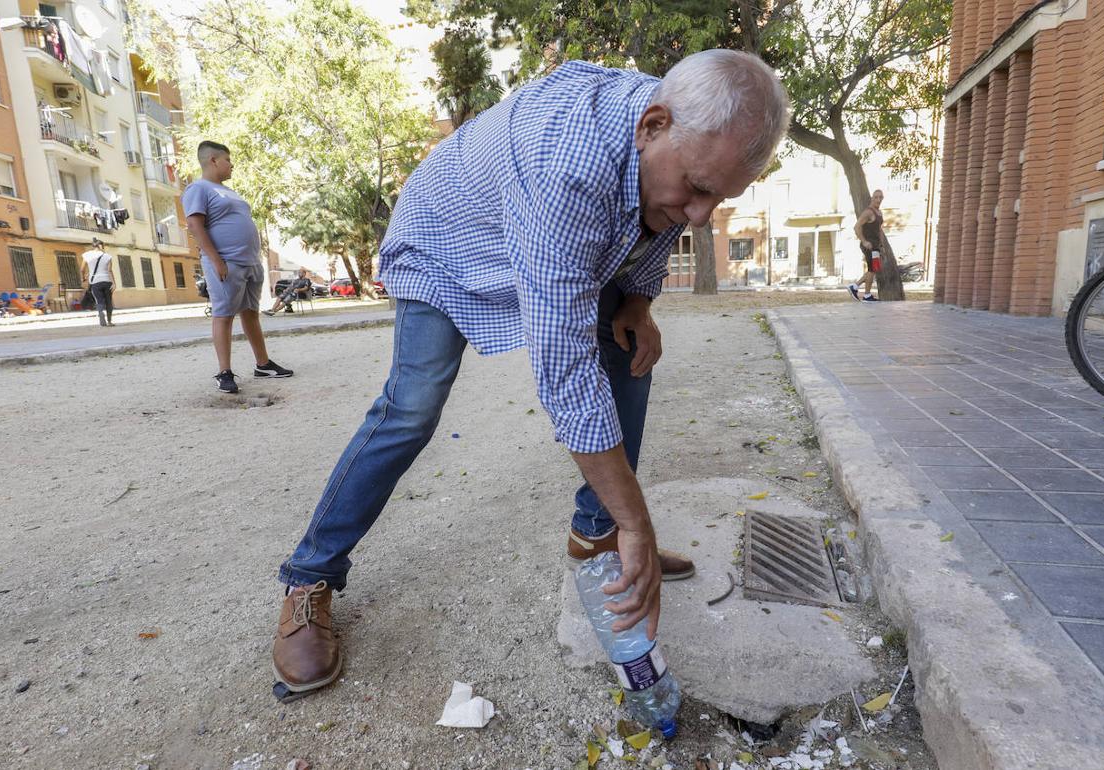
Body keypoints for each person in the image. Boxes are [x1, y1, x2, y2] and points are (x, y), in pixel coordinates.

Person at [269, 50, 790, 699]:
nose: (702, 216)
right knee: (413, 405)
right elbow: (564, 369)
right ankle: (309, 575)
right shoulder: (568, 162)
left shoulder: (667, 146)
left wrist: (639, 300)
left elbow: (653, 220)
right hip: (446, 244)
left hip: (539, 232)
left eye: (722, 196)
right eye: (699, 188)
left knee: (629, 351)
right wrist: (640, 522)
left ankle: (598, 537)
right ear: (653, 125)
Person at [183, 141, 293, 393]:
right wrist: (216, 261)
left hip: (250, 262)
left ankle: (263, 364)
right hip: (226, 262)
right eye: (228, 160)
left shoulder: (229, 191)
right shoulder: (198, 188)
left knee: (251, 313)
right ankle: (224, 372)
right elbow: (195, 226)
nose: (232, 165)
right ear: (213, 160)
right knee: (224, 315)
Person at [848, 189, 886, 302]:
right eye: (876, 197)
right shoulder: (868, 212)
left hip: (876, 246)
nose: (878, 200)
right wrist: (864, 241)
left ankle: (855, 287)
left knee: (874, 269)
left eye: (881, 197)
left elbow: (879, 230)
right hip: (869, 245)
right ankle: (866, 295)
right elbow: (856, 227)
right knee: (872, 269)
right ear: (872, 198)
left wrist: (881, 245)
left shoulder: (879, 213)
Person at [80, 238, 115, 327]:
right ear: (101, 246)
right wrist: (114, 283)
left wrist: (84, 277)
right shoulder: (108, 256)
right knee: (108, 301)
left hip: (95, 281)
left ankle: (101, 312)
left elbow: (82, 269)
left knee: (99, 300)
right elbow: (110, 270)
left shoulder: (87, 255)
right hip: (107, 281)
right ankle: (109, 321)